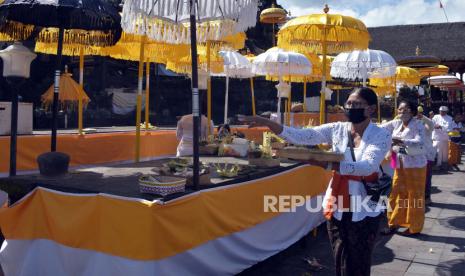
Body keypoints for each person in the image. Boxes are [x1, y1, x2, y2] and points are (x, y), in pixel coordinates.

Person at [239, 87, 391, 276]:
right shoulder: (337, 129)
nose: (351, 107)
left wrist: (327, 165)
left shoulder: (381, 134)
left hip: (364, 205)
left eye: (357, 104)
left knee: (358, 261)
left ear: (371, 109)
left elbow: (367, 166)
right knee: (339, 254)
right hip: (338, 202)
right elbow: (303, 136)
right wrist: (269, 124)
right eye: (349, 103)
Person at [381, 101, 427, 235]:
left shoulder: (418, 124)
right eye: (400, 110)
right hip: (399, 163)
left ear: (412, 112)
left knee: (414, 196)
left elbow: (420, 140)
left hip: (415, 165)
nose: (403, 112)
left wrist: (401, 141)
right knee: (395, 193)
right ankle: (393, 222)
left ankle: (414, 227)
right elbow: (378, 128)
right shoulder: (396, 123)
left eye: (406, 110)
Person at [416, 106, 436, 204]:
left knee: (427, 177)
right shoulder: (410, 124)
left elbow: (431, 125)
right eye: (416, 113)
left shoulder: (426, 125)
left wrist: (423, 117)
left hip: (427, 155)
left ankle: (427, 197)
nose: (417, 115)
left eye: (419, 113)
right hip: (415, 156)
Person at [432, 106, 453, 170]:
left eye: (443, 111)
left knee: (445, 153)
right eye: (440, 111)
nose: (442, 112)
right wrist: (435, 126)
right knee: (438, 152)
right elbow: (432, 124)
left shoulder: (449, 118)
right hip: (436, 137)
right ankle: (437, 165)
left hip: (445, 138)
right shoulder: (436, 117)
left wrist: (441, 127)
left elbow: (449, 128)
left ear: (446, 112)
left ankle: (444, 165)